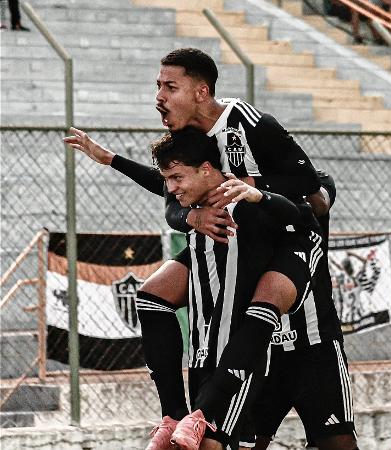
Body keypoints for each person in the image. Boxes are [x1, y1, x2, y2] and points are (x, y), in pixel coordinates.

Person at [63, 47, 340, 450]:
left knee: (256, 317)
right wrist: (189, 216)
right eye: (157, 85)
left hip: (276, 240)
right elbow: (172, 197)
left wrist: (254, 190)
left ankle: (206, 414)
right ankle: (176, 416)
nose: (158, 95)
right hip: (226, 238)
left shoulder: (251, 124)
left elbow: (313, 190)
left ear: (201, 91)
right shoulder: (184, 139)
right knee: (153, 298)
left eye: (169, 86)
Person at [240, 171, 358, 450]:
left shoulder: (313, 179)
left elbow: (320, 204)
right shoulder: (233, 183)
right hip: (258, 351)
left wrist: (265, 186)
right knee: (246, 444)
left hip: (316, 346)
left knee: (339, 442)